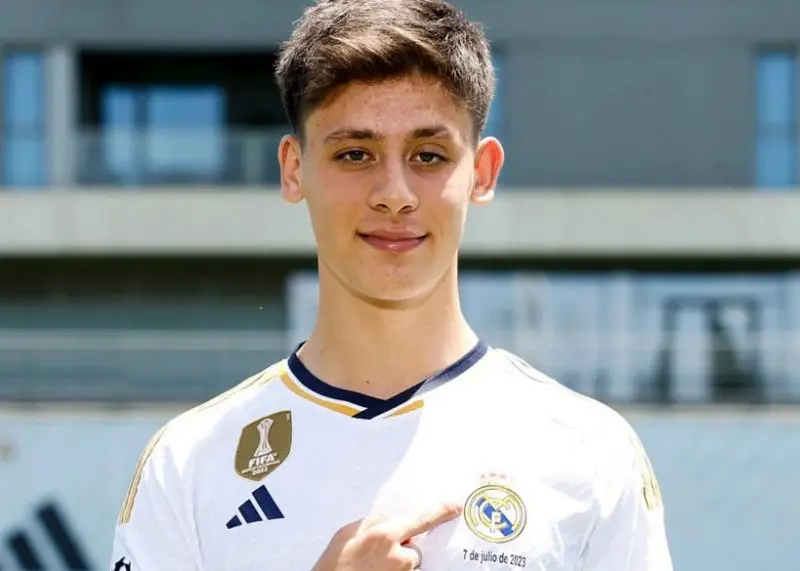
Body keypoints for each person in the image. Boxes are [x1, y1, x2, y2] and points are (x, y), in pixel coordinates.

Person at [109, 0, 674, 569]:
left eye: (428, 156)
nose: (395, 194)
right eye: (355, 154)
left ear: (481, 173)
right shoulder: (188, 462)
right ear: (294, 169)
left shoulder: (590, 451)